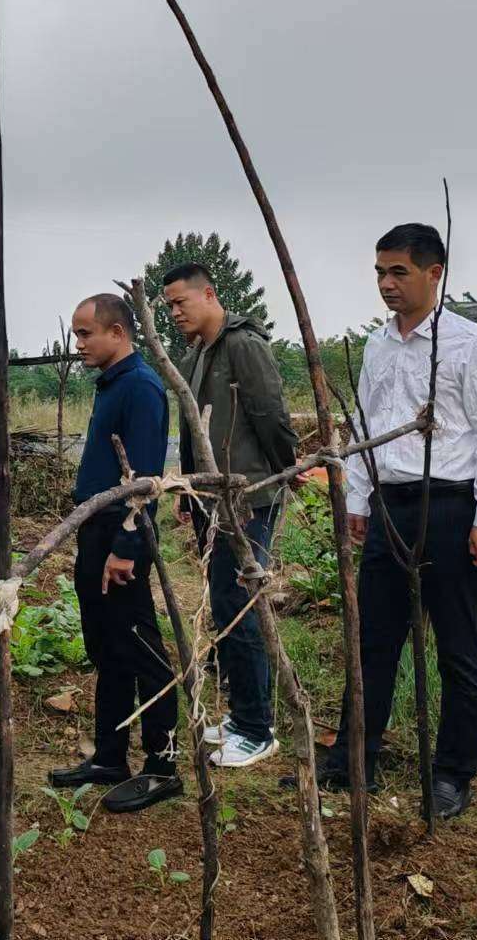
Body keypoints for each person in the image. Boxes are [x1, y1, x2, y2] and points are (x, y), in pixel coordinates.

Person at [317, 223, 477, 818]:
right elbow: (366, 431)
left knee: (458, 647)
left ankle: (453, 772)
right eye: (380, 272)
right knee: (372, 641)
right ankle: (357, 758)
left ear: (435, 273)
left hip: (450, 506)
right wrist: (357, 501)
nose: (386, 283)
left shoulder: (470, 344)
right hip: (389, 507)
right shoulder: (377, 346)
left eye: (399, 271)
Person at [46, 292, 183, 814]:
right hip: (96, 531)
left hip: (121, 534)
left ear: (118, 333)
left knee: (141, 648)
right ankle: (109, 755)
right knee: (106, 647)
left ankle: (162, 766)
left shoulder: (142, 389)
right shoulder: (112, 385)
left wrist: (126, 546)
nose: (77, 343)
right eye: (77, 333)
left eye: (85, 333)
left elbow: (144, 480)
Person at [162, 263, 299, 769]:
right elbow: (195, 426)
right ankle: (243, 717)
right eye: (169, 306)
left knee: (240, 607)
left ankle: (257, 728)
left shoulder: (243, 344)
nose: (174, 313)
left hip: (245, 498)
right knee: (222, 604)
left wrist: (284, 470)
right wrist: (188, 486)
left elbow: (269, 413)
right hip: (210, 498)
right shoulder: (198, 353)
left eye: (181, 303)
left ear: (209, 294)